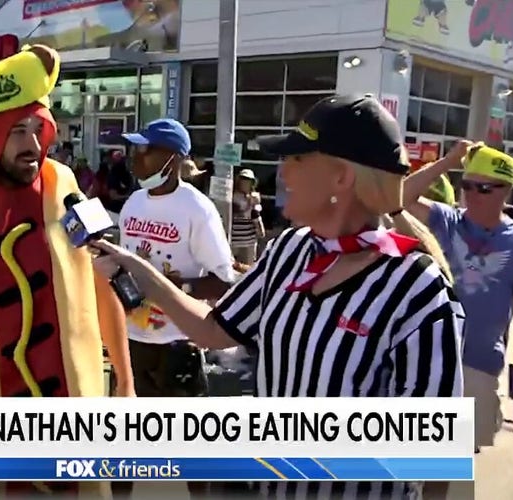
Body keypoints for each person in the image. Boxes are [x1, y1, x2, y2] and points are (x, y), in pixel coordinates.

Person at [91, 94, 463, 500]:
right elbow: (213, 330)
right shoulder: (289, 250)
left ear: (341, 177)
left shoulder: (417, 287)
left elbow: (435, 451)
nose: (281, 173)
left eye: (297, 159)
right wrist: (137, 269)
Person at [0, 45, 132, 498]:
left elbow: (103, 285)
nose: (33, 145)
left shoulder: (70, 196)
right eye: (16, 131)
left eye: (38, 128)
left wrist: (126, 387)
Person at [113, 118, 234, 499]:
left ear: (173, 159)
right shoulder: (133, 202)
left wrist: (169, 286)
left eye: (146, 150)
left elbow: (222, 279)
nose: (136, 158)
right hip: (130, 340)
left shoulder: (197, 209)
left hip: (178, 344)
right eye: (136, 149)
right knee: (122, 443)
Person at [403, 142, 513, 453]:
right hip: (427, 360)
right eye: (466, 185)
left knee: (453, 471)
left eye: (481, 187)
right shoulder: (447, 220)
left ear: (505, 191)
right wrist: (450, 160)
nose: (469, 194)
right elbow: (398, 198)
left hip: (478, 366)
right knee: (416, 461)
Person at [231, 168, 265, 264]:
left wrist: (260, 229)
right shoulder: (232, 196)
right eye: (243, 179)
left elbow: (256, 215)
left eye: (248, 180)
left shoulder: (255, 197)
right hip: (234, 239)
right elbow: (233, 212)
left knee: (248, 268)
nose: (245, 182)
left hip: (249, 239)